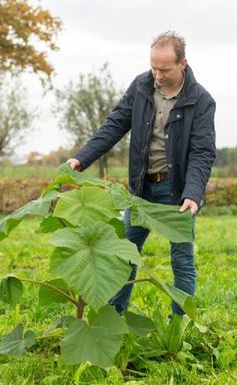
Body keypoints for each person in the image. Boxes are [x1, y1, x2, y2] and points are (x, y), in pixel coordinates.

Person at [66, 31, 216, 315]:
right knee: (123, 256)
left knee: (181, 261)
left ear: (182, 64)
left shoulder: (201, 100)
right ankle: (113, 318)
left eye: (164, 69)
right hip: (141, 191)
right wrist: (80, 158)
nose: (157, 75)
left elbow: (202, 152)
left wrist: (194, 194)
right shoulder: (141, 87)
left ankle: (178, 326)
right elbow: (113, 126)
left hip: (178, 194)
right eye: (153, 68)